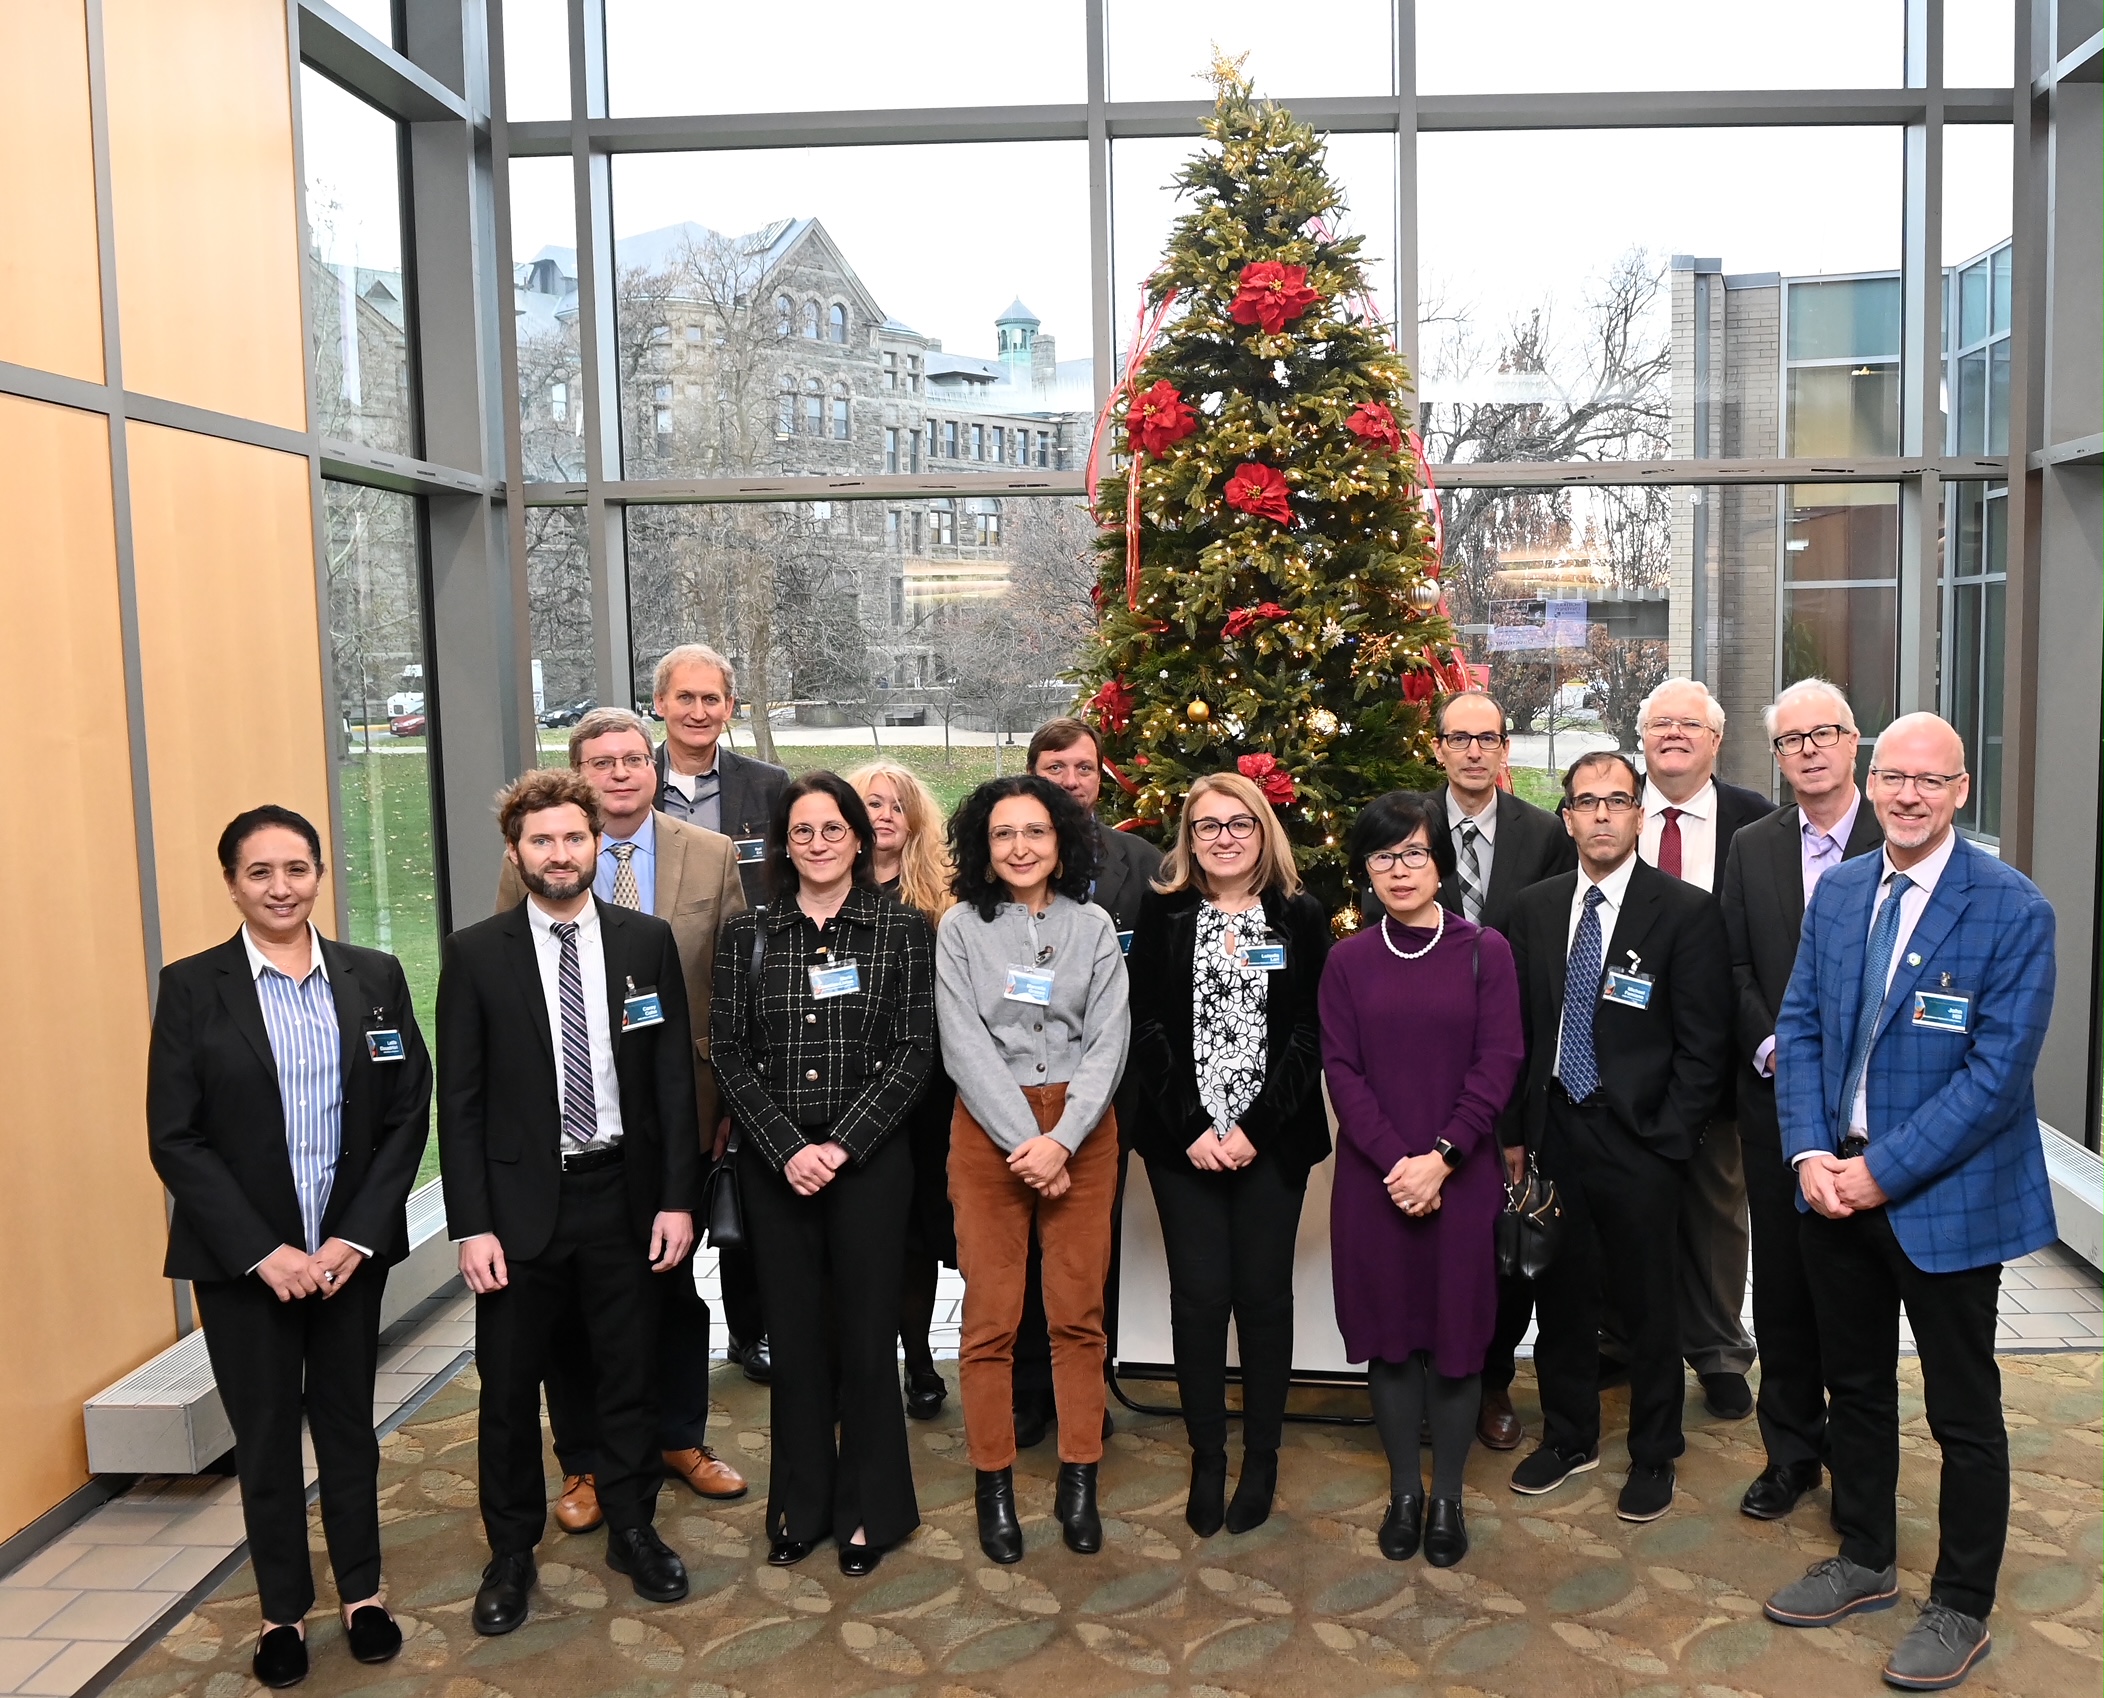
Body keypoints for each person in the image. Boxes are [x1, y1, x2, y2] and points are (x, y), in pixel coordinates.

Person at [1763, 713, 2057, 1694]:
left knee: (1962, 1412)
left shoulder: (2013, 910)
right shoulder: (1842, 892)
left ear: (1960, 791)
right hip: (1831, 1188)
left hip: (1945, 1197)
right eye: (1892, 776)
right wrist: (1809, 1150)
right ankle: (1865, 1557)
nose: (1907, 795)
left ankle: (1962, 1605)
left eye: (1930, 781)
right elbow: (1798, 1024)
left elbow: (1993, 1079)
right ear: (1870, 779)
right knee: (1853, 1387)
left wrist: (1878, 1171)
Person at [148, 807, 431, 1688]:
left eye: (298, 868)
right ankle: (281, 1612)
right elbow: (175, 1137)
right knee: (266, 1438)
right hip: (244, 1269)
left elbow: (405, 1113)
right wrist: (264, 1252)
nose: (282, 887)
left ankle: (362, 1594)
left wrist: (352, 1237)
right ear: (232, 882)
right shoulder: (194, 986)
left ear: (319, 875)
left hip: (346, 1257)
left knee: (350, 1427)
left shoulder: (374, 976)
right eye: (261, 872)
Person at [439, 769, 699, 1633]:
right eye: (542, 840)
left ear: (598, 844)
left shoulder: (643, 941)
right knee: (508, 1393)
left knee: (628, 1376)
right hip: (518, 1216)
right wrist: (471, 1224)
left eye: (574, 838)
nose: (560, 854)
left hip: (623, 1199)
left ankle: (633, 1527)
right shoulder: (475, 953)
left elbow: (669, 1085)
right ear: (517, 852)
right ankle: (510, 1553)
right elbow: (462, 1105)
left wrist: (676, 1199)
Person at [496, 707, 749, 1533]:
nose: (620, 773)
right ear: (578, 774)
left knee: (671, 1296)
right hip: (565, 1133)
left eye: (633, 758)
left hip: (683, 1116)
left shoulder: (709, 854)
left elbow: (732, 985)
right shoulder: (545, 855)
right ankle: (586, 1464)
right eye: (600, 761)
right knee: (571, 1313)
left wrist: (725, 1111)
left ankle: (679, 1438)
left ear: (655, 766)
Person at [710, 773, 936, 1577]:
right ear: (783, 843)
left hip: (869, 1166)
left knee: (869, 1342)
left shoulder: (905, 931)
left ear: (860, 835)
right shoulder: (748, 934)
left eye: (831, 828)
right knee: (798, 1343)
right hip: (778, 1168)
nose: (816, 843)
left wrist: (840, 1145)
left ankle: (872, 1511)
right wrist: (786, 1148)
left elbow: (917, 1052)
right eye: (800, 831)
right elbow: (729, 1053)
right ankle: (800, 1506)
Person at [1499, 751, 1732, 1523]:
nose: (1602, 815)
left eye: (1617, 801)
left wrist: (1671, 1138)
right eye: (1586, 802)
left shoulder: (1685, 911)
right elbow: (1517, 1035)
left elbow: (1705, 1045)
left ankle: (1655, 1451)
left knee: (1647, 1304)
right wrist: (1516, 1135)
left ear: (1638, 814)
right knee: (1560, 1296)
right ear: (1565, 816)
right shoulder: (1532, 909)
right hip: (1555, 1129)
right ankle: (1570, 1437)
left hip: (1641, 1141)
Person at [1322, 792, 1524, 1567]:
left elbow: (1499, 1060)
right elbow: (1342, 1071)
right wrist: (1397, 1162)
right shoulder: (1348, 960)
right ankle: (1405, 1491)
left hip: (1461, 1179)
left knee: (1456, 1341)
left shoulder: (1485, 951)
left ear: (1440, 861)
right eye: (1383, 856)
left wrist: (1440, 1156)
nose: (1399, 870)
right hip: (1375, 1184)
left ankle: (1448, 1499)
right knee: (1390, 1341)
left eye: (1413, 853)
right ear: (1365, 870)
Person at [1127, 773, 1331, 1536]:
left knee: (1264, 1301)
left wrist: (1252, 1129)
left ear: (1262, 831)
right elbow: (1145, 1023)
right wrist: (1194, 1130)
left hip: (1270, 1145)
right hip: (1185, 1146)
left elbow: (1309, 1032)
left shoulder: (1299, 915)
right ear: (1189, 837)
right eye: (1207, 825)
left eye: (1239, 824)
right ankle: (1207, 1454)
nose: (1223, 837)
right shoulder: (1165, 911)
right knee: (1201, 1300)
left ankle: (1264, 1456)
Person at [936, 775, 1130, 1564]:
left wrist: (1065, 1139)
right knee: (990, 1322)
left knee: (1078, 1317)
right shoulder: (958, 928)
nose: (1020, 847)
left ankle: (1078, 1480)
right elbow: (962, 1043)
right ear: (985, 847)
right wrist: (1028, 1141)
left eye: (1036, 833)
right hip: (990, 1131)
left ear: (1062, 843)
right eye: (1004, 834)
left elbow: (1109, 1040)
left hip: (1083, 1131)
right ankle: (995, 1483)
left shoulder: (1094, 926)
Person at [1718, 679, 1881, 1522]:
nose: (1810, 749)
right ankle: (1790, 1453)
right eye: (1792, 740)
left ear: (1856, 743)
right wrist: (1779, 1044)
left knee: (1855, 1297)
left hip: (1875, 1115)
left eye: (1825, 733)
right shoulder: (1753, 845)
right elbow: (1737, 964)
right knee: (1780, 1287)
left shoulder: (1897, 836)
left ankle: (1861, 1462)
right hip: (1778, 1099)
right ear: (1777, 758)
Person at [1409, 689, 1577, 1452]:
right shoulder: (1406, 827)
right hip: (1420, 1061)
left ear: (1505, 747)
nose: (1475, 751)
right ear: (1437, 747)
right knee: (1426, 1232)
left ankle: (1491, 1380)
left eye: (1489, 738)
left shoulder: (1545, 834)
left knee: (1503, 1241)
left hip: (1514, 1060)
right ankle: (1421, 1375)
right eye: (1459, 738)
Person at [1013, 716, 1161, 1446]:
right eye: (1055, 767)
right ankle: (1026, 1389)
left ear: (1101, 776)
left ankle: (1082, 1389)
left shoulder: (1146, 864)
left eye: (1083, 767)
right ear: (1032, 773)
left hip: (1110, 1089)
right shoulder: (998, 862)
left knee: (1085, 1246)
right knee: (1018, 1242)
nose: (1070, 780)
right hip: (1013, 1091)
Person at [1633, 678, 1774, 1422]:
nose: (1675, 734)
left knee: (1719, 1204)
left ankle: (1718, 1348)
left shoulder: (1755, 820)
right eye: (1661, 724)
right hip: (1623, 1048)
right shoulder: (1613, 809)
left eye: (1691, 724)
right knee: (1625, 1198)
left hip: (1721, 1050)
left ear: (1717, 740)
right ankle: (1620, 1341)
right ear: (1643, 738)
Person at [651, 641, 784, 1382]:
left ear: (729, 707)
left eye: (713, 699)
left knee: (742, 1176)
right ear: (661, 705)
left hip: (739, 1003)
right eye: (685, 697)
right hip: (641, 1012)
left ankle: (751, 1330)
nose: (699, 711)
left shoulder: (767, 787)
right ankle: (661, 1327)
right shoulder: (631, 786)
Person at [847, 760, 959, 1420]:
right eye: (870, 803)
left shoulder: (945, 901)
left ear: (916, 821)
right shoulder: (827, 891)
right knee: (865, 1241)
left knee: (919, 1240)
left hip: (929, 1097)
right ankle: (862, 1364)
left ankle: (919, 1361)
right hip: (849, 1096)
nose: (884, 814)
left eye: (897, 805)